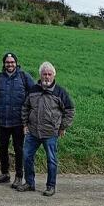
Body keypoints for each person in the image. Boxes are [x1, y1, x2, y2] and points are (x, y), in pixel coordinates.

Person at [18, 62, 75, 196]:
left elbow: (70, 110)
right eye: (44, 74)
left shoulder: (60, 92)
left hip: (51, 133)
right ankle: (29, 183)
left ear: (54, 75)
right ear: (40, 75)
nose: (47, 77)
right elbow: (25, 107)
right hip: (33, 131)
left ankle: (50, 186)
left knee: (52, 160)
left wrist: (62, 127)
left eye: (49, 74)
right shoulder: (33, 90)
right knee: (26, 157)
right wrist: (25, 123)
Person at [0, 52, 35, 188]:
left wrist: (30, 114)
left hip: (18, 121)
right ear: (4, 64)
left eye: (12, 62)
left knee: (19, 149)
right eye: (7, 62)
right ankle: (5, 174)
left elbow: (33, 94)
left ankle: (19, 176)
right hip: (2, 121)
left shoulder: (24, 77)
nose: (10, 64)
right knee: (2, 148)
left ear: (16, 63)